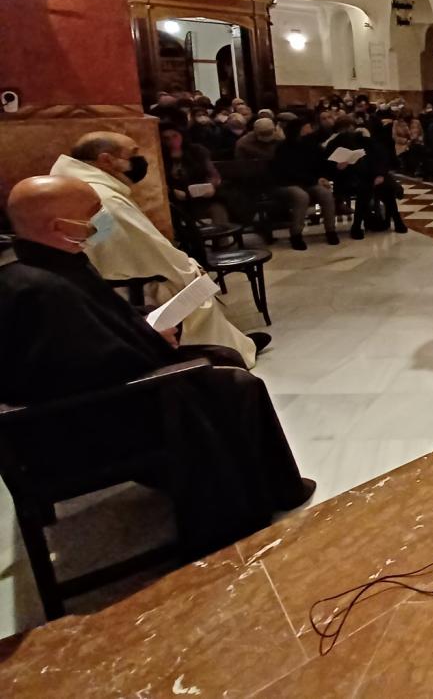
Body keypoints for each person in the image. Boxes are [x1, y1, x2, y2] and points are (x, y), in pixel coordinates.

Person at [0, 176, 313, 553]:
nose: (101, 220)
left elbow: (98, 322)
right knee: (236, 385)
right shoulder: (38, 289)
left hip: (96, 394)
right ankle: (238, 505)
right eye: (92, 214)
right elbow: (90, 367)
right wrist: (152, 337)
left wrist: (145, 322)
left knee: (223, 358)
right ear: (59, 227)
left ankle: (267, 485)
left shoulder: (45, 264)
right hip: (89, 422)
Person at [50, 133, 264, 367]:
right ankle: (220, 352)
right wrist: (189, 269)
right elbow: (150, 253)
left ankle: (236, 341)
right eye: (133, 154)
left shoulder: (79, 186)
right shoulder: (104, 199)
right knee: (191, 286)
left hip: (103, 280)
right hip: (128, 286)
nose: (140, 159)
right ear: (106, 160)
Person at [324, 116, 408, 239]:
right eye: (344, 130)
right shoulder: (333, 144)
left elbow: (379, 158)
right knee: (365, 188)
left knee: (386, 187)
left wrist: (379, 174)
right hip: (346, 179)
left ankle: (396, 220)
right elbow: (326, 165)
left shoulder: (364, 140)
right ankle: (357, 226)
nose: (348, 132)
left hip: (370, 175)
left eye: (349, 129)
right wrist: (337, 167)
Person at [271, 118, 340, 250]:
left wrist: (324, 177)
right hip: (286, 184)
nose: (310, 129)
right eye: (307, 126)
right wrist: (315, 180)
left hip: (309, 182)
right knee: (301, 196)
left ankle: (331, 230)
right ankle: (296, 234)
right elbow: (287, 172)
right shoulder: (283, 147)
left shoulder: (312, 145)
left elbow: (323, 164)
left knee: (325, 193)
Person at [159, 124, 228, 225]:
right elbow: (158, 183)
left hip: (201, 196)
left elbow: (213, 174)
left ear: (181, 135)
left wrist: (211, 185)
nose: (171, 140)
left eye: (175, 136)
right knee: (172, 214)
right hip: (176, 200)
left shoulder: (197, 151)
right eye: (166, 138)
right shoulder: (159, 155)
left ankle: (221, 238)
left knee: (218, 209)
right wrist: (171, 192)